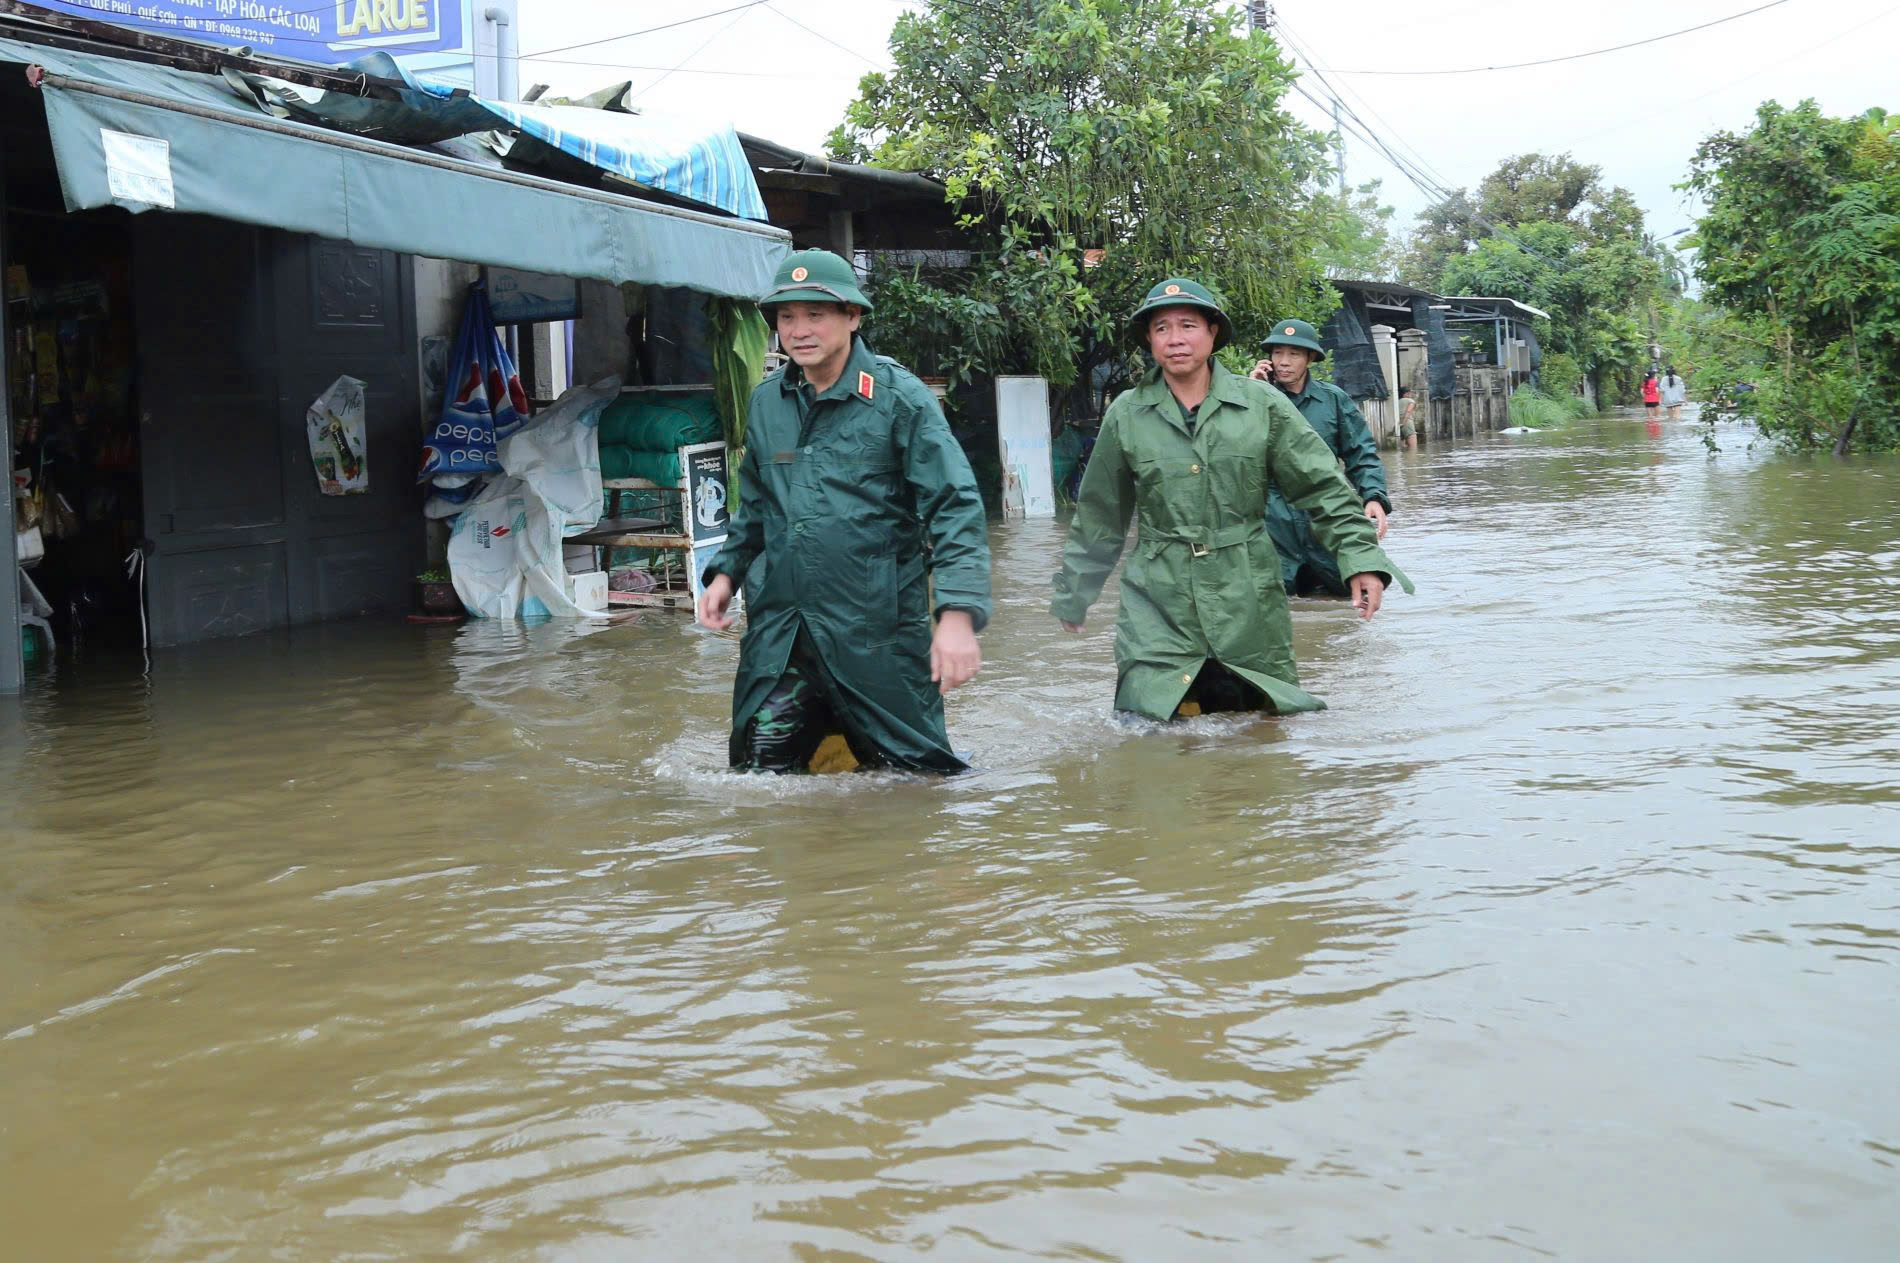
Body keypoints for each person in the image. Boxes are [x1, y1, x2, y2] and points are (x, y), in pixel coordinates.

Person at [1050, 278, 1411, 720]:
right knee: (1148, 725)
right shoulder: (1126, 413)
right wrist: (1075, 593)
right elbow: (1101, 513)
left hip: (1247, 594)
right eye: (1161, 328)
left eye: (1188, 325)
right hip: (1157, 600)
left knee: (1257, 728)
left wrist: (1360, 559)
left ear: (1213, 332)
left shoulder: (1260, 404)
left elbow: (1321, 486)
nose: (1176, 339)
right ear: (1149, 339)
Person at [697, 249, 991, 773]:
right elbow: (757, 505)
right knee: (758, 775)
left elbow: (955, 507)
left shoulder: (900, 399)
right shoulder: (767, 402)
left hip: (875, 633)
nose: (799, 330)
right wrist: (724, 576)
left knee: (918, 781)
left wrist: (956, 616)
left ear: (853, 317)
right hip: (783, 631)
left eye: (816, 314)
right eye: (787, 317)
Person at [1248, 318, 1395, 597]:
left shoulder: (1333, 401)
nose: (1284, 362)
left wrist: (1374, 496)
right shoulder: (1252, 397)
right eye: (1278, 353)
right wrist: (1252, 393)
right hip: (1272, 525)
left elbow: (1360, 453)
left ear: (1310, 358)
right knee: (1274, 602)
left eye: (1294, 354)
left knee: (1344, 601)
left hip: (1322, 518)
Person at [1397, 385, 1419, 451]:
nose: (1411, 394)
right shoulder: (1410, 401)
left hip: (1398, 424)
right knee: (1413, 448)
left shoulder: (1397, 401)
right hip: (1407, 423)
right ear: (1407, 393)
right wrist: (1403, 423)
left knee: (1402, 447)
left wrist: (1400, 424)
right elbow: (1408, 412)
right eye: (1410, 392)